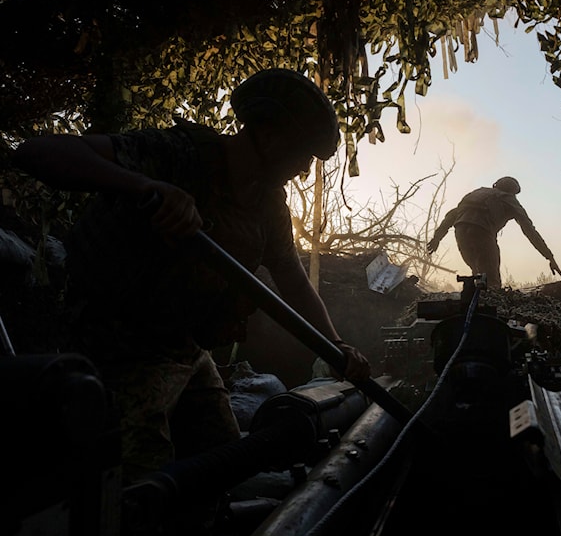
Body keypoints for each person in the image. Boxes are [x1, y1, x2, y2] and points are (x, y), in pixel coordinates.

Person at [11, 67, 371, 484]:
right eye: (301, 155)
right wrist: (146, 187)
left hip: (186, 349)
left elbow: (292, 279)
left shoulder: (268, 205)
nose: (304, 169)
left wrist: (335, 345)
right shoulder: (178, 155)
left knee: (223, 465)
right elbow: (36, 152)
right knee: (142, 489)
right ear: (269, 137)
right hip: (117, 346)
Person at [427, 176, 561, 289]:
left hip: (461, 233)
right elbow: (529, 230)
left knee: (478, 274)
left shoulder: (476, 193)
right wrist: (549, 256)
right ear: (513, 192)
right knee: (492, 282)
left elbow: (451, 216)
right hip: (482, 234)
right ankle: (491, 315)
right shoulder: (508, 199)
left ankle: (473, 310)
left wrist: (436, 238)